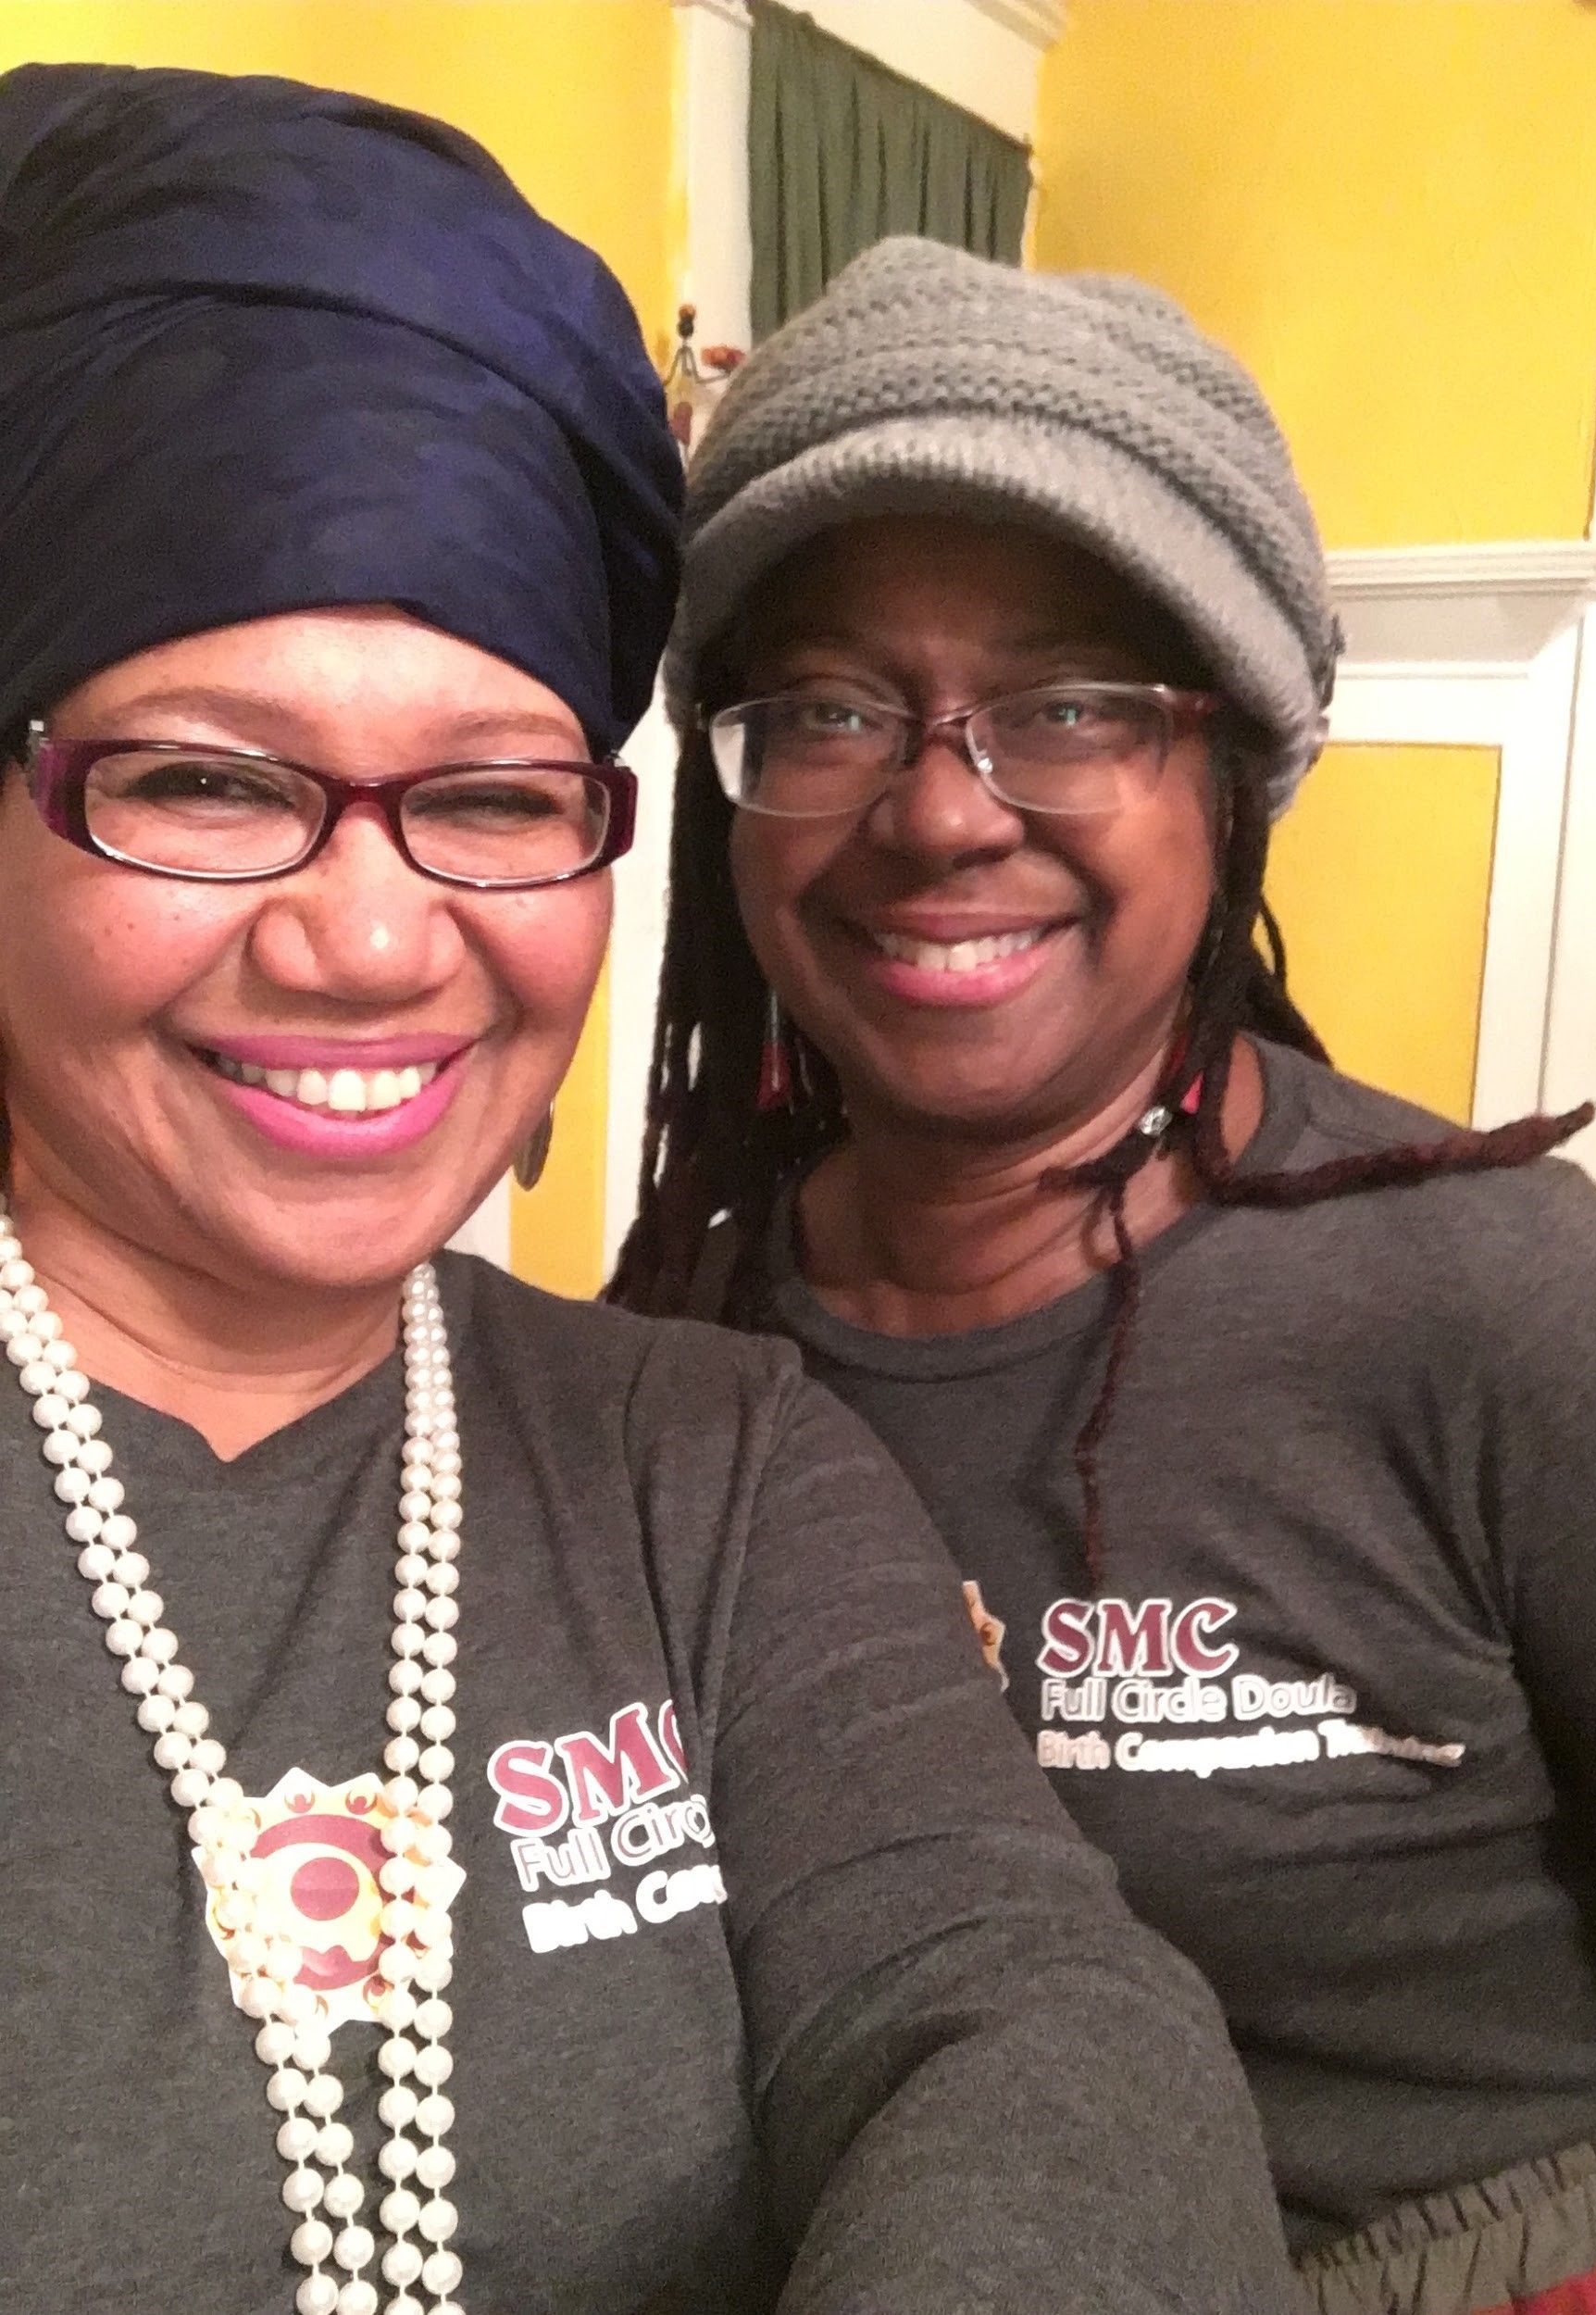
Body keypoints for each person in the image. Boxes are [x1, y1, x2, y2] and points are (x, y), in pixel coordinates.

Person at [0, 72, 1301, 2315]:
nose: (370, 936)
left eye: (498, 799)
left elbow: (1034, 2015)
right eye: (206, 779)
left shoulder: (704, 1453)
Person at [614, 235, 1596, 2315]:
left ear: (1229, 779)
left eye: (1066, 706)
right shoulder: (679, 1345)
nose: (938, 812)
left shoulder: (1483, 1302)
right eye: (831, 708)